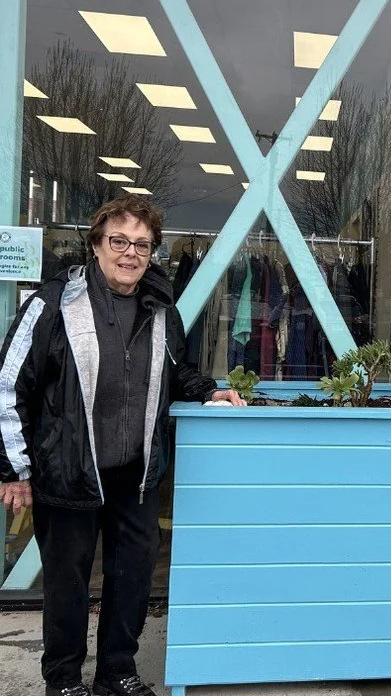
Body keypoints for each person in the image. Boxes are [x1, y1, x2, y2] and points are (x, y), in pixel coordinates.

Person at [0, 196, 246, 696]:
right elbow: (8, 387)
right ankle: (64, 679)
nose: (130, 253)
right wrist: (13, 468)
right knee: (67, 586)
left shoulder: (161, 309)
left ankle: (117, 672)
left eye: (142, 244)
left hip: (135, 475)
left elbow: (178, 373)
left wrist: (209, 389)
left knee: (132, 579)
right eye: (119, 241)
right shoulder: (51, 304)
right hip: (67, 470)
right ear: (96, 245)